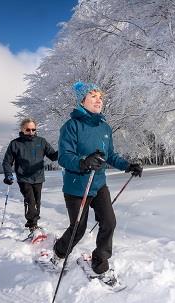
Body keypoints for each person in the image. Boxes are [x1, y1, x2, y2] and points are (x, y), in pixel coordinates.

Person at [52, 81, 143, 275]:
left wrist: (128, 166)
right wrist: (83, 162)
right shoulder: (71, 126)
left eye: (100, 97)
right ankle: (59, 252)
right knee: (78, 229)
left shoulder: (105, 128)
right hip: (77, 186)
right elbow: (64, 156)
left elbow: (110, 155)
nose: (98, 100)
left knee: (109, 222)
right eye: (93, 96)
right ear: (82, 100)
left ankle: (99, 263)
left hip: (99, 183)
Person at [2, 118, 58, 232]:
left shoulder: (41, 141)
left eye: (33, 129)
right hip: (24, 178)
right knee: (30, 201)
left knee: (37, 202)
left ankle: (34, 223)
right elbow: (7, 162)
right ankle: (32, 224)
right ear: (22, 129)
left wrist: (64, 149)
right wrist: (8, 175)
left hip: (38, 177)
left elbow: (53, 156)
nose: (31, 132)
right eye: (28, 130)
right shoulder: (15, 143)